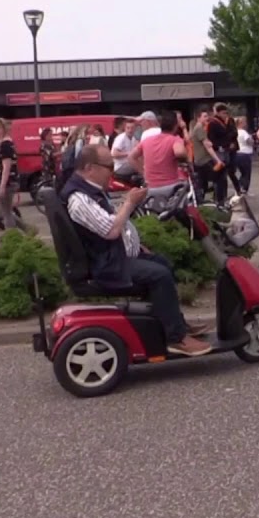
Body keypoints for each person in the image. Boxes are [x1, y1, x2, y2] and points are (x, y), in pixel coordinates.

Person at [62, 144, 213, 356]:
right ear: (89, 168)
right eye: (108, 166)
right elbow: (111, 230)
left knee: (162, 263)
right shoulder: (79, 198)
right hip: (106, 266)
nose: (112, 171)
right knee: (158, 275)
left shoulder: (90, 191)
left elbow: (108, 226)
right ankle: (176, 339)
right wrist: (130, 203)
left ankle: (174, 323)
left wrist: (134, 244)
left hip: (112, 257)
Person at [128, 110, 189, 200]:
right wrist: (185, 158)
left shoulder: (147, 140)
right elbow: (179, 152)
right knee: (187, 190)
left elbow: (131, 157)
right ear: (176, 126)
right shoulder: (174, 139)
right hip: (171, 186)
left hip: (151, 187)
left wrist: (143, 172)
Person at [0, 118, 20, 231]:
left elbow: (6, 167)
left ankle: (12, 235)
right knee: (2, 211)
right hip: (2, 181)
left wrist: (2, 186)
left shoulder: (5, 145)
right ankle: (27, 229)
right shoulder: (1, 143)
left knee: (6, 212)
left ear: (1, 129)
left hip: (8, 182)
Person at [190, 109, 224, 202]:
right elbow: (207, 146)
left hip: (199, 160)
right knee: (220, 178)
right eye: (204, 116)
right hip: (204, 160)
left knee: (203, 183)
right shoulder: (199, 129)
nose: (207, 118)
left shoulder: (198, 128)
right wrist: (218, 160)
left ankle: (202, 201)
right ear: (198, 118)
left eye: (207, 116)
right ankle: (219, 201)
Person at [204, 104, 235, 205]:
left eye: (226, 113)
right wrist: (220, 146)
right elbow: (212, 138)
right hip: (219, 151)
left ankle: (222, 198)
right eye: (223, 113)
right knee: (219, 177)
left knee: (223, 176)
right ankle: (219, 199)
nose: (225, 115)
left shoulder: (224, 122)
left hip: (224, 150)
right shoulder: (214, 123)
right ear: (217, 112)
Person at [110, 117, 139, 185]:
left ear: (135, 129)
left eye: (132, 128)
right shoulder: (121, 138)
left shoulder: (133, 138)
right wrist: (129, 153)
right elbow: (114, 154)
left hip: (128, 167)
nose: (130, 130)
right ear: (124, 128)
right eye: (128, 128)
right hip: (121, 168)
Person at [234, 116, 254, 195]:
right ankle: (243, 188)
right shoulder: (243, 132)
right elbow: (248, 141)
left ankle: (240, 187)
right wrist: (252, 141)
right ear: (241, 123)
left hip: (238, 153)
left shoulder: (235, 132)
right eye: (245, 122)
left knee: (243, 173)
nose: (246, 124)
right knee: (246, 173)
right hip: (245, 154)